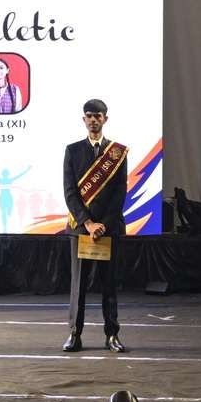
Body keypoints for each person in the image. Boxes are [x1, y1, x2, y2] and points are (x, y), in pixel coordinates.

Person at [63, 99, 129, 352]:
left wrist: (103, 224)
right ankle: (74, 334)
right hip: (82, 229)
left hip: (108, 229)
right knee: (78, 286)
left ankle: (112, 335)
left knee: (109, 284)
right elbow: (70, 192)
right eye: (89, 115)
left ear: (105, 119)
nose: (93, 120)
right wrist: (89, 223)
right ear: (84, 119)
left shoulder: (117, 153)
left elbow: (120, 192)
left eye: (97, 116)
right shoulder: (72, 150)